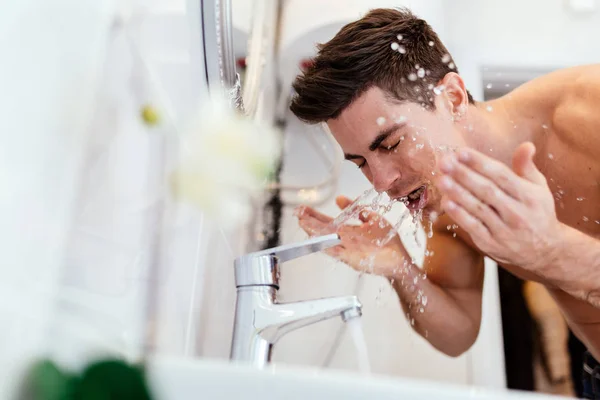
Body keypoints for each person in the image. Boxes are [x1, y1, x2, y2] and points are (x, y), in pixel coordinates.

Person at [289, 7, 600, 397]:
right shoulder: (443, 199)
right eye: (362, 163)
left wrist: (552, 252)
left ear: (451, 97)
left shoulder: (590, 114)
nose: (383, 182)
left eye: (391, 144)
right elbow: (457, 334)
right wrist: (400, 268)